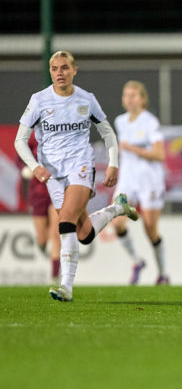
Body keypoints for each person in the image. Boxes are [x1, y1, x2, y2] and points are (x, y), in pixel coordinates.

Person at [14, 50, 139, 302]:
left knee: (66, 222)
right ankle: (118, 209)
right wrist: (35, 165)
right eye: (54, 68)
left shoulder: (86, 99)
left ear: (74, 70)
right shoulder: (39, 101)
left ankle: (66, 287)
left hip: (80, 165)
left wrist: (113, 164)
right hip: (52, 174)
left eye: (64, 68)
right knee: (84, 233)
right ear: (50, 72)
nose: (59, 73)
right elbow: (20, 140)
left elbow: (108, 133)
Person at [112, 80, 169, 285]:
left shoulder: (150, 122)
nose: (129, 98)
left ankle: (163, 274)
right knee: (117, 223)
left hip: (149, 181)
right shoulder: (120, 121)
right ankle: (137, 261)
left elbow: (160, 153)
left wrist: (132, 148)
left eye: (133, 95)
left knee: (150, 228)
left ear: (143, 99)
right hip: (128, 180)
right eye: (126, 95)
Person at [19, 132, 61, 284]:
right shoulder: (32, 134)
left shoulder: (61, 130)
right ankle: (42, 243)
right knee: (42, 238)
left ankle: (55, 276)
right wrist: (28, 167)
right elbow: (20, 155)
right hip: (38, 191)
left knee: (56, 233)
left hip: (56, 187)